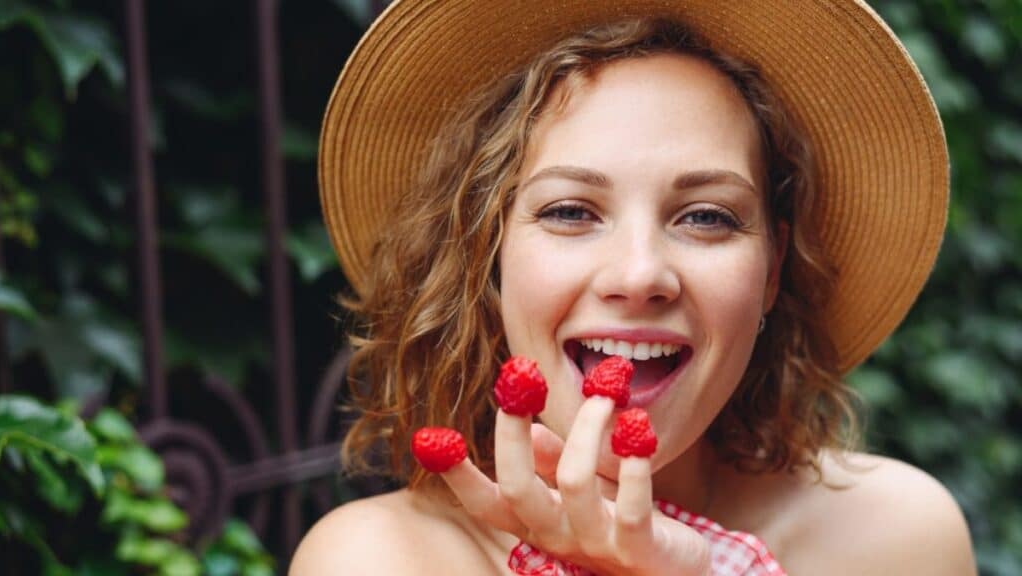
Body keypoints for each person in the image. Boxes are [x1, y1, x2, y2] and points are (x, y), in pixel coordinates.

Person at [293, 1, 976, 574]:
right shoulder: (377, 559)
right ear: (486, 258)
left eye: (706, 217)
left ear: (771, 274)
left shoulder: (896, 537)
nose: (640, 274)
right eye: (570, 212)